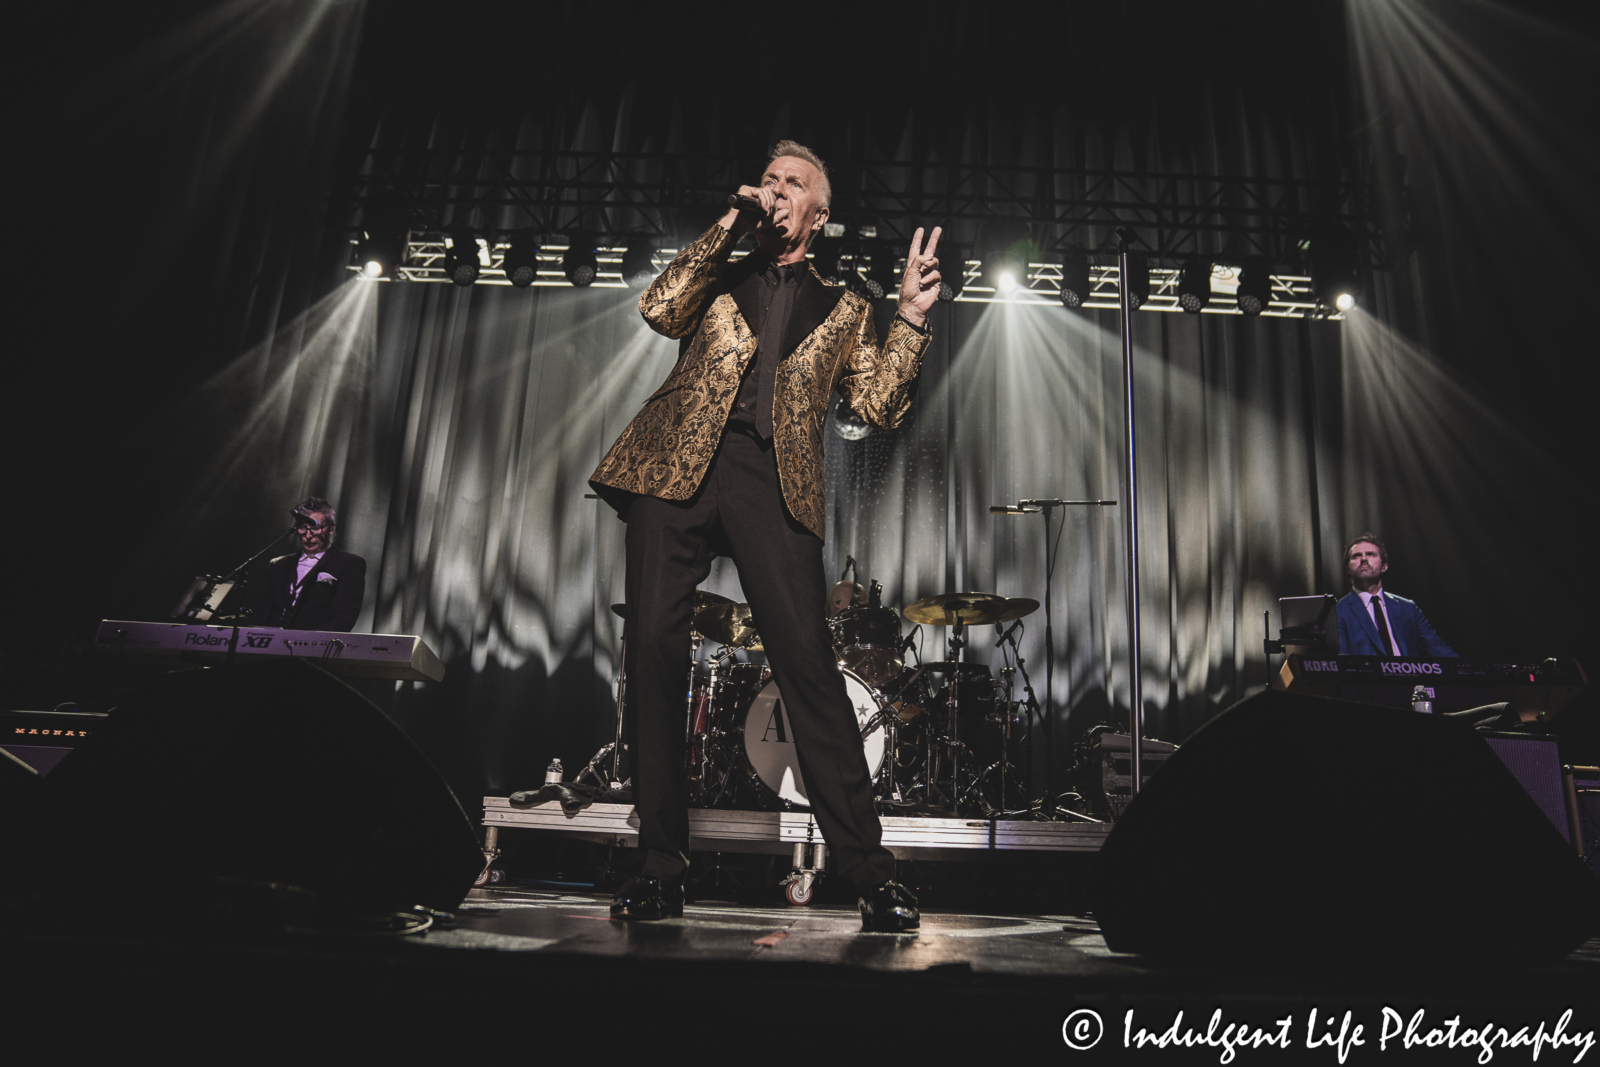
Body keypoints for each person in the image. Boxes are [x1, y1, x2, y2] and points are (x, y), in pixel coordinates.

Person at [589, 141, 940, 932]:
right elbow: (660, 307)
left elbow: (880, 405)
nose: (777, 191)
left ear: (820, 214)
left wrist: (910, 317)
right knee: (650, 647)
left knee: (809, 668)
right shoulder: (724, 266)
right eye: (771, 180)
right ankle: (660, 864)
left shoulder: (845, 303)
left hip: (770, 483)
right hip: (675, 464)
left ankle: (869, 871)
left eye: (794, 185)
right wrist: (729, 221)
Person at [1334, 534, 1455, 657]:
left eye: (1370, 554)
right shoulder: (1338, 611)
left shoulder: (1408, 608)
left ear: (1384, 566)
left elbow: (1437, 648)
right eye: (1357, 555)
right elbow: (1342, 662)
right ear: (1348, 569)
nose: (1364, 559)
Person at [264, 496, 366, 633]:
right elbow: (264, 612)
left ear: (331, 528)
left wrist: (306, 642)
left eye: (314, 527)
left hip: (312, 650)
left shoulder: (350, 564)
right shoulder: (278, 565)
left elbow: (343, 618)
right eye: (302, 527)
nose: (308, 535)